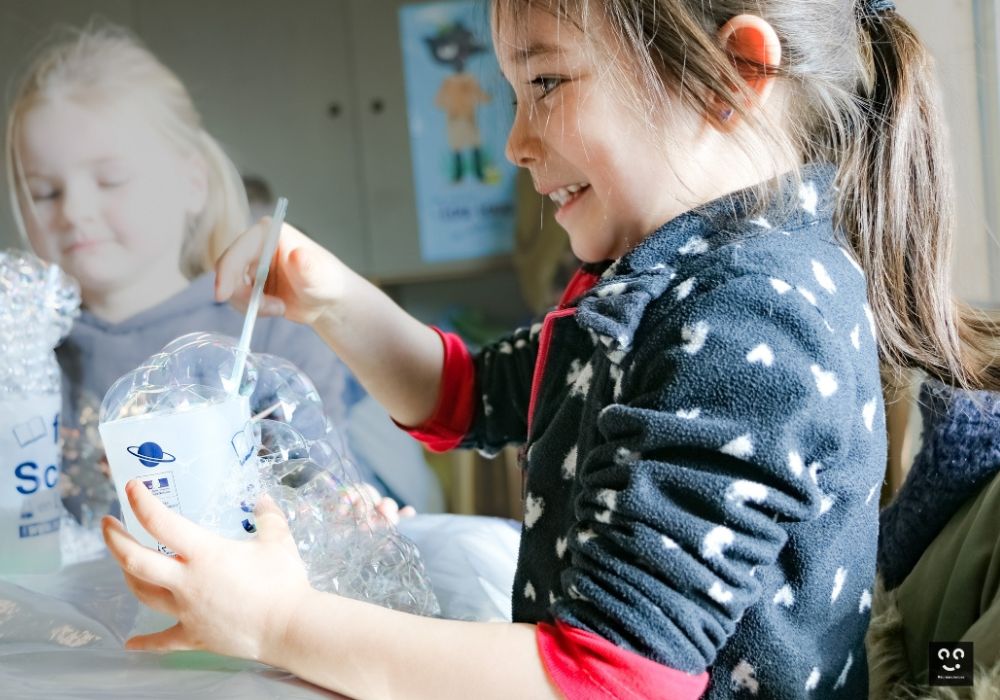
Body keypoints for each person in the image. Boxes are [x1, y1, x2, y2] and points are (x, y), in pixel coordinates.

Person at [102, 1, 1000, 698]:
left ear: (731, 76)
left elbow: (608, 678)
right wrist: (332, 297)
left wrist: (278, 622)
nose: (515, 142)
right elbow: (473, 396)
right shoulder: (664, 276)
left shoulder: (751, 319)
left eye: (547, 83)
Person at [3, 26, 407, 517]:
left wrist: (347, 511)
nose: (74, 211)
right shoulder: (24, 359)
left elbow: (321, 487)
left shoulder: (270, 330)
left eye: (110, 180)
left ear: (192, 183)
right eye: (45, 192)